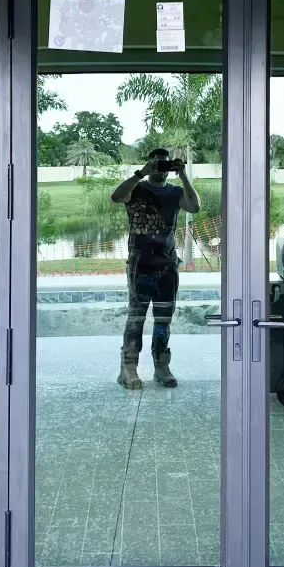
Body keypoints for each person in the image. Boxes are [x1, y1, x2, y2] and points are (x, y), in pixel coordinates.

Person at [110, 148, 201, 390]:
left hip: (167, 265)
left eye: (165, 164)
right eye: (156, 163)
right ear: (150, 164)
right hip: (140, 264)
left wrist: (183, 176)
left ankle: (161, 366)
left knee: (163, 319)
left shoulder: (176, 192)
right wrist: (139, 174)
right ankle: (128, 369)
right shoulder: (136, 188)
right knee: (136, 317)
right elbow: (116, 197)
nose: (160, 168)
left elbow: (194, 207)